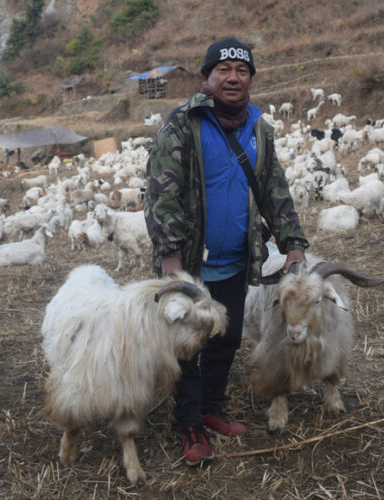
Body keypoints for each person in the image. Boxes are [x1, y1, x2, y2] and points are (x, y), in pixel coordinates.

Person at [143, 37, 309, 466]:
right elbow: (161, 193)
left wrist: (292, 243)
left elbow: (274, 189)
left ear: (250, 78)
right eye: (224, 70)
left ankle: (210, 409)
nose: (233, 78)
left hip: (236, 259)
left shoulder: (259, 128)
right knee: (187, 344)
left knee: (226, 339)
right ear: (207, 76)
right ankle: (189, 423)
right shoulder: (183, 124)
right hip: (189, 264)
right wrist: (172, 259)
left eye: (242, 71)